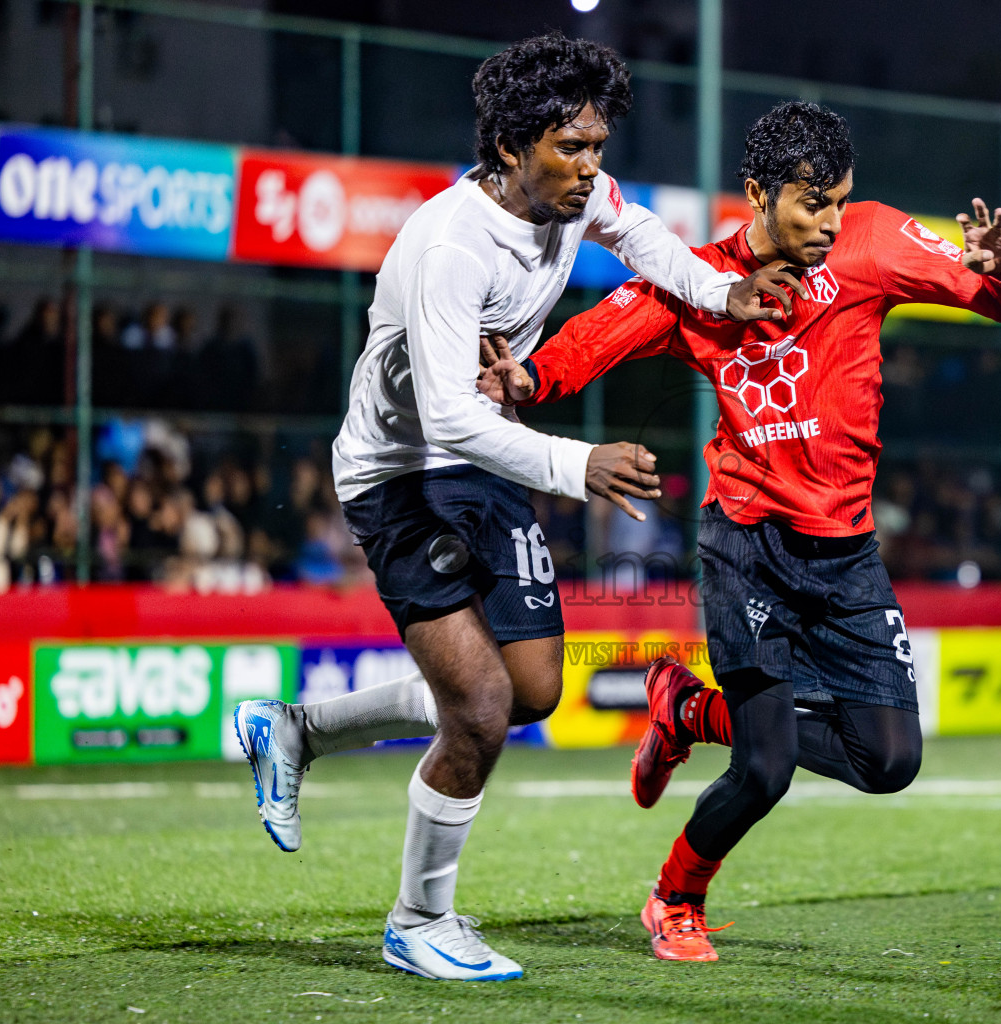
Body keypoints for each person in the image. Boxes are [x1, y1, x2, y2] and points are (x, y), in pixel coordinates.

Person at [227, 33, 801, 983]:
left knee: (531, 690)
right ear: (509, 148)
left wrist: (724, 291)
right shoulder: (451, 247)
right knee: (484, 704)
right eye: (570, 148)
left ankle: (296, 731)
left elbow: (647, 237)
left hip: (482, 462)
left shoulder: (577, 197)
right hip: (400, 475)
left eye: (597, 146)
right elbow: (450, 418)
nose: (591, 168)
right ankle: (418, 920)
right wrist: (581, 464)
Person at [483, 101, 1001, 962]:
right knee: (767, 768)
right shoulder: (702, 281)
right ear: (756, 194)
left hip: (846, 555)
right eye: (811, 203)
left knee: (890, 761)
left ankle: (689, 710)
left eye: (840, 201)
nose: (829, 223)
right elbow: (601, 334)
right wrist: (529, 376)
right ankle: (675, 899)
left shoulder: (875, 244)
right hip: (746, 549)